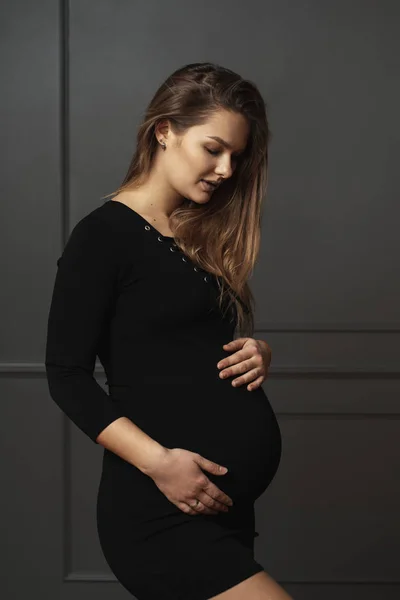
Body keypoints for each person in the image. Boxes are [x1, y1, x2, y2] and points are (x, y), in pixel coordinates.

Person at [45, 62, 293, 600]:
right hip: (161, 512)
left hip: (224, 513)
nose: (227, 168)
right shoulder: (102, 236)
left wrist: (258, 349)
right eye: (213, 148)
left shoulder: (194, 234)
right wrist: (160, 464)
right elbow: (65, 375)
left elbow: (185, 345)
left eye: (237, 155)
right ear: (165, 131)